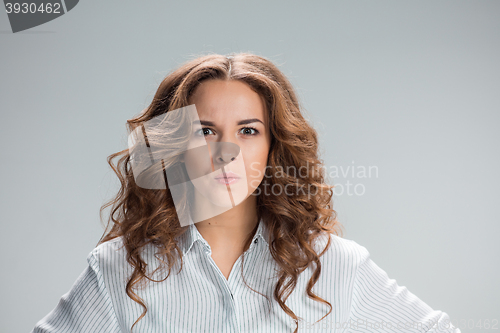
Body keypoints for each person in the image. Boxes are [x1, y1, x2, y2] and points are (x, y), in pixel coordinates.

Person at [31, 53, 460, 333]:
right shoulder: (117, 271)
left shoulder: (333, 264)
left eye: (248, 130)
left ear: (274, 145)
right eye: (204, 130)